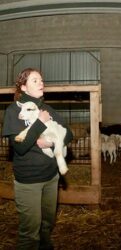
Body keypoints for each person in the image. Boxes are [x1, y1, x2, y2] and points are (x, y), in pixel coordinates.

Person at [2, 68, 73, 250]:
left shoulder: (47, 109)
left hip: (51, 177)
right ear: (24, 87)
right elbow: (19, 146)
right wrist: (40, 124)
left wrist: (50, 142)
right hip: (29, 180)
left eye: (41, 80)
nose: (41, 83)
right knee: (29, 233)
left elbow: (69, 134)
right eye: (35, 80)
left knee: (46, 226)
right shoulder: (13, 111)